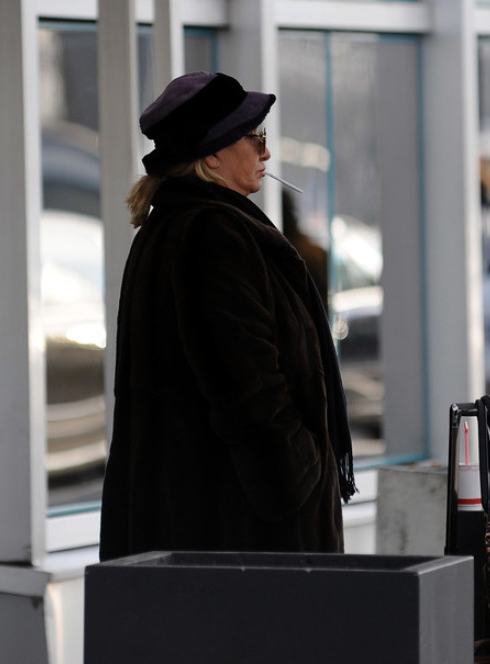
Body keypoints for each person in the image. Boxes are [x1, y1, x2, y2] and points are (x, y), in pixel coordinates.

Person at [99, 71, 355, 561]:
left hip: (207, 529)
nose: (266, 152)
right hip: (241, 537)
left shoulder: (176, 226)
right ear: (212, 154)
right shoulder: (213, 235)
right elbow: (248, 387)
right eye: (254, 136)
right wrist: (299, 473)